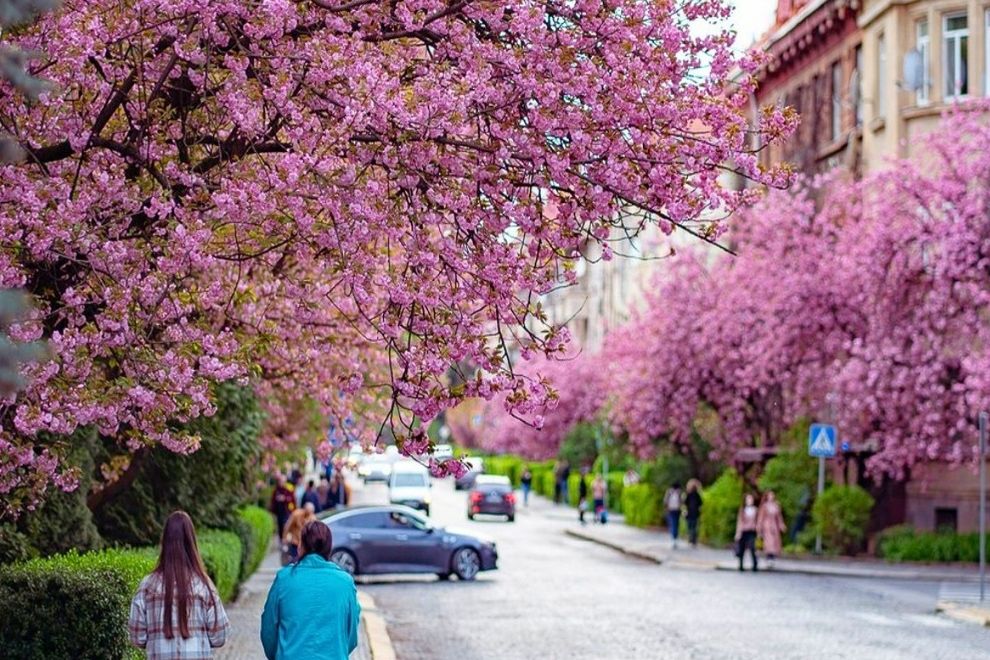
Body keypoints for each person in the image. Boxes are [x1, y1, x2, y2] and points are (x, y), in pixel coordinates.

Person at [129, 511, 230, 658]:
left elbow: (137, 637)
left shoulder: (147, 586)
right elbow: (220, 636)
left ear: (164, 542)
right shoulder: (203, 585)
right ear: (192, 543)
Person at [261, 521, 361, 659]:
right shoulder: (345, 583)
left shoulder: (284, 579)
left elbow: (269, 630)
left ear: (300, 547)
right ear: (329, 548)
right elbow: (351, 634)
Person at [758, 490, 787, 566]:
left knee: (775, 542)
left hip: (774, 526)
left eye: (772, 495)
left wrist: (781, 525)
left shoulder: (776, 505)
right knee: (768, 542)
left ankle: (773, 557)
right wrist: (759, 526)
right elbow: (761, 517)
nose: (771, 497)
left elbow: (779, 517)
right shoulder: (764, 506)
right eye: (770, 495)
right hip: (767, 525)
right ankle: (768, 557)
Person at [735, 493, 759, 572]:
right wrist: (738, 532)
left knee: (752, 548)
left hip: (752, 531)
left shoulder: (755, 510)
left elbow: (758, 521)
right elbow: (740, 521)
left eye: (751, 499)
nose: (749, 501)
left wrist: (758, 530)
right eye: (748, 499)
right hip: (743, 531)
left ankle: (755, 565)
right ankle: (741, 565)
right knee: (742, 548)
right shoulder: (743, 510)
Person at [270, 475, 296, 540]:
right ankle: (281, 539)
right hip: (279, 512)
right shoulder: (276, 490)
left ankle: (286, 539)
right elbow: (273, 500)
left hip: (287, 511)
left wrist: (284, 498)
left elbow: (292, 499)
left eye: (283, 481)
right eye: (280, 481)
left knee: (286, 526)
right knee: (280, 526)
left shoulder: (289, 488)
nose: (281, 483)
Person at [663, 481, 683, 549]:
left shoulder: (669, 492)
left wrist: (666, 508)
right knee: (675, 524)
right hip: (676, 510)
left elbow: (665, 501)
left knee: (673, 524)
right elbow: (682, 501)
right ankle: (674, 538)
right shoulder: (679, 492)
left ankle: (674, 538)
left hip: (671, 510)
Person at [685, 479, 703, 547]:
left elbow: (685, 503)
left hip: (689, 513)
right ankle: (694, 540)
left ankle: (690, 539)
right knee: (694, 527)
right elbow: (701, 503)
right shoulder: (697, 495)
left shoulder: (688, 494)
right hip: (696, 513)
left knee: (689, 527)